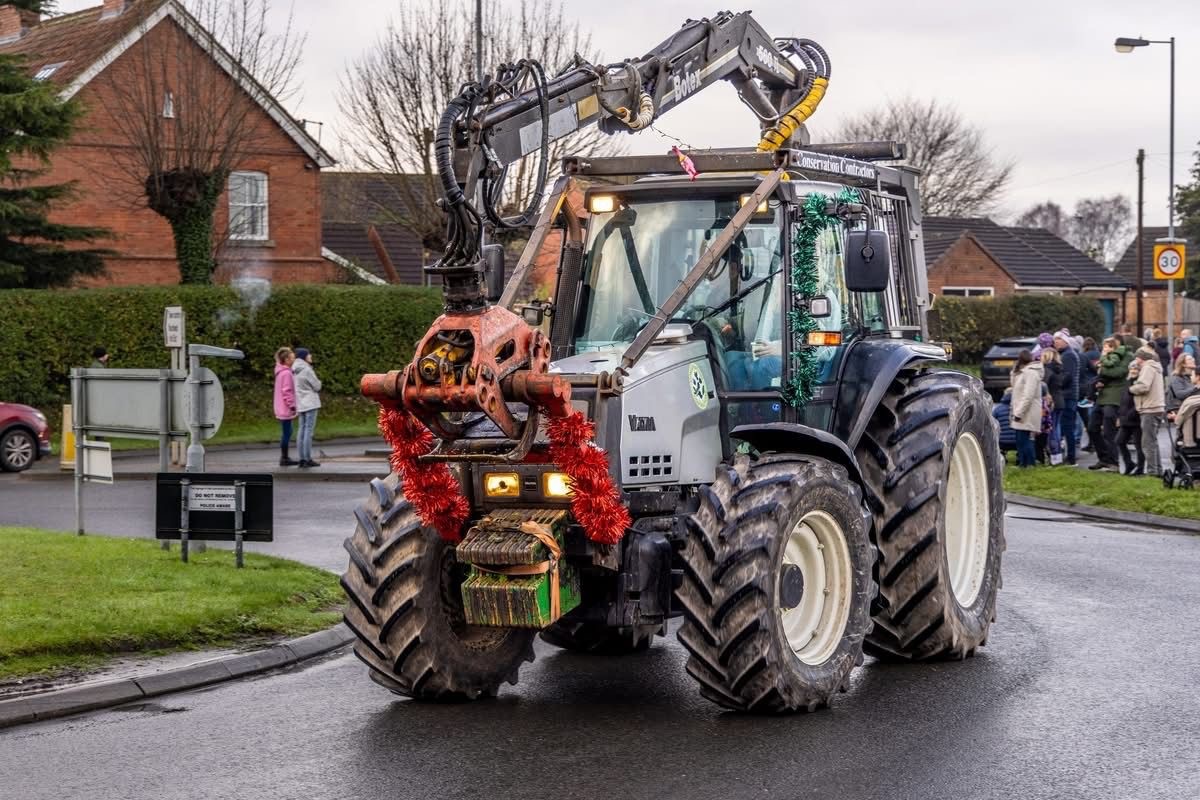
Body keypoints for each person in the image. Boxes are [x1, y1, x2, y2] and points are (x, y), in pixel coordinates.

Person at [1089, 336, 1133, 471]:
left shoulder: (1127, 356)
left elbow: (1118, 372)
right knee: (1092, 427)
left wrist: (1101, 367)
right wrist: (1098, 381)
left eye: (1112, 344)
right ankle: (1104, 458)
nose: (1108, 347)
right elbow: (1101, 372)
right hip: (1102, 395)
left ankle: (1114, 462)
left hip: (1115, 396)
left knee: (1109, 430)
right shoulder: (1107, 356)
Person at [1128, 344, 1166, 476]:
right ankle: (1158, 471)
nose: (1136, 360)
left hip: (1150, 408)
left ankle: (1152, 472)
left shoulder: (1148, 367)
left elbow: (1144, 386)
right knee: (1153, 442)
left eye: (1137, 357)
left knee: (1148, 443)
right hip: (1156, 407)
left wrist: (1131, 389)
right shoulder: (1155, 367)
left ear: (1141, 358)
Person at [1010, 349, 1043, 468]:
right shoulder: (1024, 372)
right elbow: (1014, 384)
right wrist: (1014, 371)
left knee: (1025, 439)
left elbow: (1028, 395)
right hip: (1021, 409)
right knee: (1020, 439)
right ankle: (1023, 464)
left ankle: (1029, 464)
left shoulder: (1031, 373)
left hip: (1027, 411)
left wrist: (1019, 413)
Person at [292, 347, 322, 468]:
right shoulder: (307, 369)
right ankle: (307, 458)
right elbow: (317, 386)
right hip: (310, 403)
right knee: (308, 431)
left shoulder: (294, 369)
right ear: (304, 356)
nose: (310, 356)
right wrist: (319, 383)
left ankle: (301, 458)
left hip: (301, 403)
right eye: (309, 354)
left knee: (301, 431)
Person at [1053, 330, 1079, 464]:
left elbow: (1067, 376)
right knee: (1065, 427)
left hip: (1068, 396)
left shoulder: (1068, 355)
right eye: (1055, 340)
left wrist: (1055, 383)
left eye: (1059, 340)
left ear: (1066, 341)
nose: (1056, 342)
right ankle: (1067, 455)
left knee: (1067, 427)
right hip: (1067, 395)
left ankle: (1071, 457)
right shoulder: (1065, 354)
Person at [1114, 362, 1143, 475]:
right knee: (1119, 441)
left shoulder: (1140, 384)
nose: (1133, 371)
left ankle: (1140, 469)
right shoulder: (1127, 383)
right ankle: (1129, 463)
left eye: (1136, 369)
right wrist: (1119, 416)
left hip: (1135, 419)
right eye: (1131, 369)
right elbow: (1122, 402)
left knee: (1138, 445)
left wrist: (1130, 415)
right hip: (1125, 419)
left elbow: (1139, 402)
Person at [273, 347, 298, 467]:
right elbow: (287, 391)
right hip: (285, 408)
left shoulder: (280, 372)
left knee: (287, 432)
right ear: (287, 360)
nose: (294, 360)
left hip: (280, 407)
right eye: (292, 358)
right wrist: (292, 406)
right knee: (287, 433)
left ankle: (285, 457)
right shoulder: (287, 373)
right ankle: (284, 458)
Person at [1041, 348, 1064, 464]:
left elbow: (1043, 385)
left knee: (1051, 430)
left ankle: (1054, 455)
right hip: (1060, 400)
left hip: (1051, 402)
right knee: (1057, 428)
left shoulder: (1047, 370)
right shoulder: (1059, 369)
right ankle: (1058, 454)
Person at [1168, 369, 1200, 447]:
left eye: (1192, 375)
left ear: (1198, 377)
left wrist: (1175, 417)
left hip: (1192, 437)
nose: (1190, 377)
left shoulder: (1191, 399)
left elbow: (1180, 418)